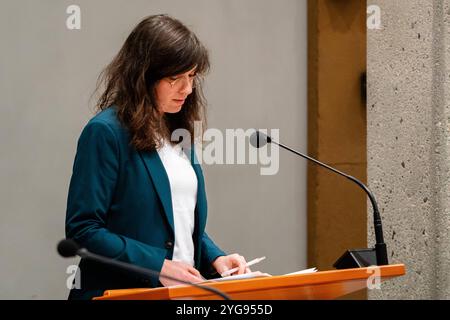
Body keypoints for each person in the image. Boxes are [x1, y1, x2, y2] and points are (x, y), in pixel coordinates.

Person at [65, 14, 251, 300]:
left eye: (191, 77)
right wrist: (157, 266)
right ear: (142, 76)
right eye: (174, 78)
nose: (187, 89)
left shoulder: (176, 132)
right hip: (120, 293)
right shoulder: (106, 132)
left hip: (182, 296)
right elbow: (83, 230)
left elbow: (177, 223)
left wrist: (215, 259)